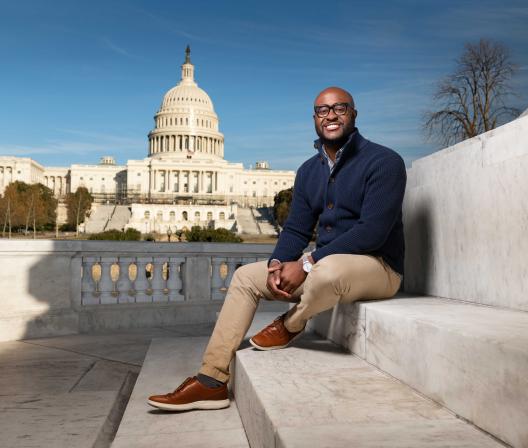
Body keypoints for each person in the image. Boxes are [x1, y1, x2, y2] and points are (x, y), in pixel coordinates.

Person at [147, 86, 407, 411]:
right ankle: (211, 380)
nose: (331, 115)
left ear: (353, 114)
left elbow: (372, 232)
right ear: (315, 118)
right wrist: (277, 263)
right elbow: (296, 229)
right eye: (323, 110)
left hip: (378, 267)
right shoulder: (309, 171)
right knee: (245, 277)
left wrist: (308, 263)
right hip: (325, 267)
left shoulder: (384, 162)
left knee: (327, 270)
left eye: (340, 108)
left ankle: (292, 323)